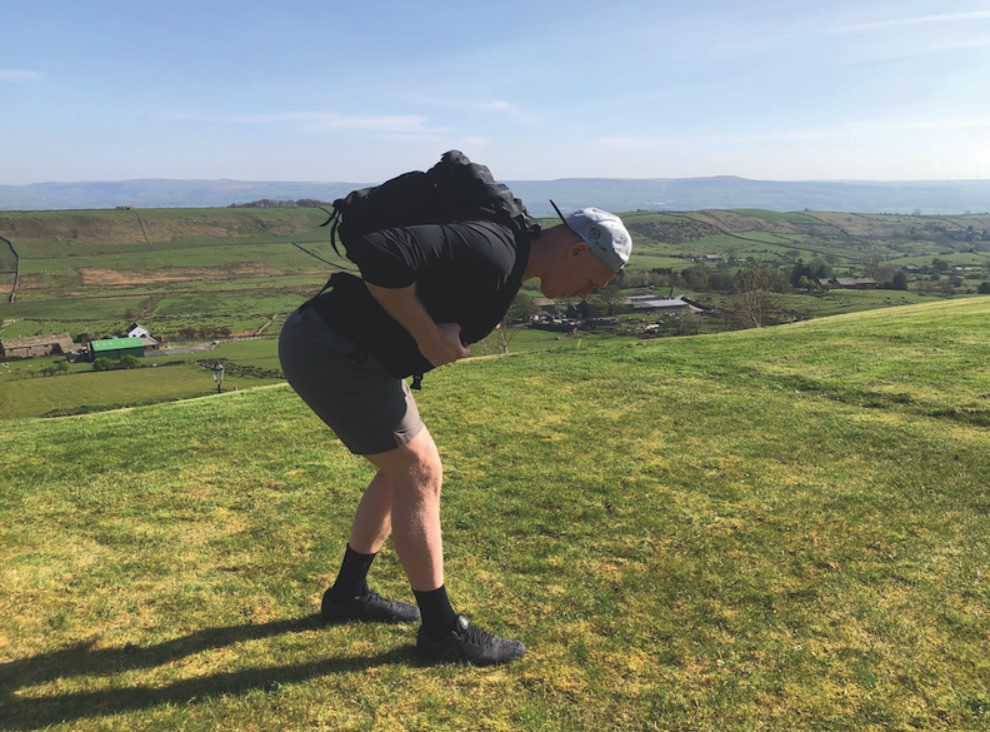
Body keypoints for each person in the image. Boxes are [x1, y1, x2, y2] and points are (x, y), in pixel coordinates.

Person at [278, 199, 632, 666]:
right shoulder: (496, 250)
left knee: (401, 471)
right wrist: (425, 331)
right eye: (592, 282)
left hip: (356, 352)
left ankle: (349, 595)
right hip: (333, 349)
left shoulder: (506, 264)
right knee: (419, 472)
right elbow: (382, 253)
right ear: (576, 251)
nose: (585, 294)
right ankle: (442, 633)